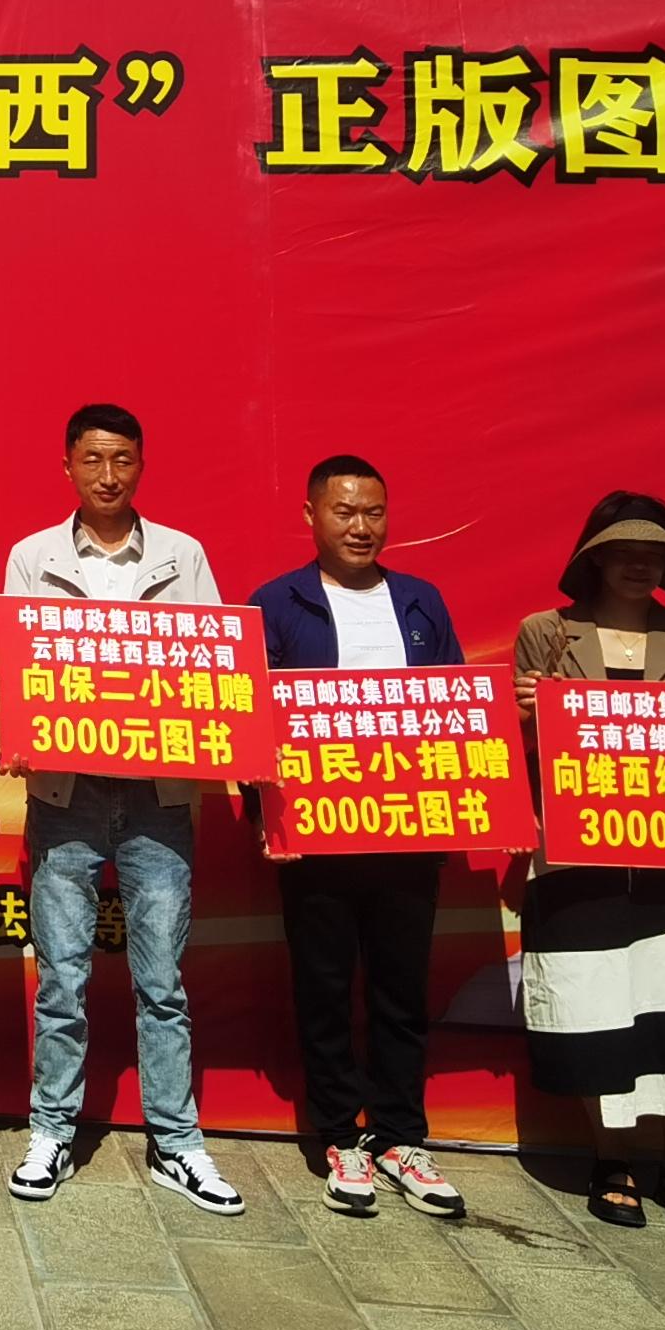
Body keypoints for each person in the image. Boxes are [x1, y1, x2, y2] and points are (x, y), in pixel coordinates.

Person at [0, 402, 244, 1216]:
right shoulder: (32, 556)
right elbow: (23, 665)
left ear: (142, 465)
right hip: (65, 794)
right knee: (62, 977)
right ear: (67, 466)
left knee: (162, 981)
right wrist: (19, 731)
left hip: (158, 797)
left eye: (123, 460)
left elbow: (214, 666)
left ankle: (176, 1141)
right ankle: (51, 1130)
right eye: (93, 460)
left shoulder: (182, 555)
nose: (108, 476)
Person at [512, 493, 665, 1238]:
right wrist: (525, 714)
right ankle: (609, 1158)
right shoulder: (545, 633)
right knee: (593, 1007)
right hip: (576, 853)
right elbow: (520, 753)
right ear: (595, 558)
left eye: (655, 553)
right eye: (624, 550)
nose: (640, 564)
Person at [249, 454, 469, 1221]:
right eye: (344, 511)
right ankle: (342, 1135)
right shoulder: (278, 603)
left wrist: (478, 809)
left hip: (408, 834)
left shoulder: (420, 601)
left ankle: (403, 1137)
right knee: (325, 990)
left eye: (373, 512)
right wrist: (265, 817)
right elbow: (252, 722)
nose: (360, 526)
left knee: (402, 992)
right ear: (311, 516)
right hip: (314, 837)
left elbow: (456, 709)